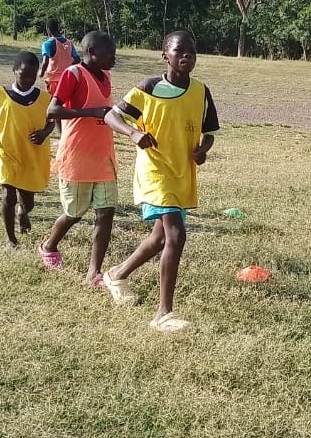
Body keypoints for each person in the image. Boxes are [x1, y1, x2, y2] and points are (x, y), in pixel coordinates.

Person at [102, 30, 219, 332]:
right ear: (164, 55)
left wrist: (202, 150)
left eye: (192, 51)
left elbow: (208, 132)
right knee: (176, 236)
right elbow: (111, 116)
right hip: (155, 170)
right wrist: (134, 133)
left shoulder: (201, 91)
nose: (186, 56)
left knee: (159, 239)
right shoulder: (149, 88)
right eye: (179, 51)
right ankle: (163, 314)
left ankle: (116, 274)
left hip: (182, 172)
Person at [37, 30, 119, 285]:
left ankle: (94, 272)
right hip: (77, 156)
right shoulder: (73, 74)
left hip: (103, 155)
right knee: (74, 212)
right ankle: (49, 246)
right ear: (91, 53)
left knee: (106, 213)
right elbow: (53, 110)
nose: (113, 59)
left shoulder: (105, 75)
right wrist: (91, 111)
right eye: (109, 55)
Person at [0, 51, 53, 249]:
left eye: (32, 76)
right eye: (24, 75)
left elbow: (52, 121)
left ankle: (23, 213)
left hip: (32, 154)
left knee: (28, 202)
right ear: (15, 71)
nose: (28, 80)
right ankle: (11, 239)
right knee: (8, 196)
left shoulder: (44, 98)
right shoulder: (0, 95)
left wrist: (44, 133)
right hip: (6, 152)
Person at [38, 18, 80, 93]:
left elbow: (45, 61)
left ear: (48, 29)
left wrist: (41, 73)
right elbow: (77, 59)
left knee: (52, 103)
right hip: (67, 79)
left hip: (53, 80)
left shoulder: (48, 43)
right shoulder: (69, 43)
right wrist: (67, 64)